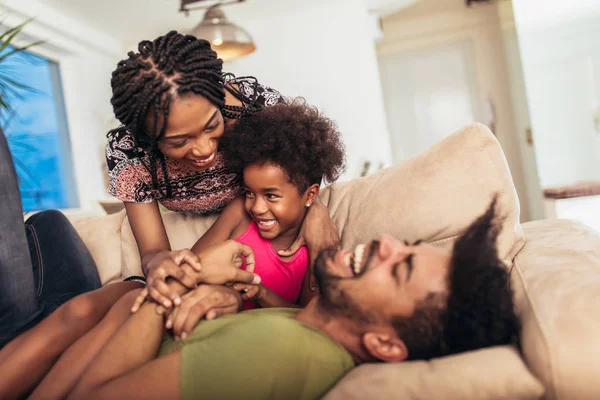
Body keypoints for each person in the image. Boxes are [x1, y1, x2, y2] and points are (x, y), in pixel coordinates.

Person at [64, 197, 519, 400]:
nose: (384, 242)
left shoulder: (283, 353)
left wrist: (187, 278)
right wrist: (223, 293)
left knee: (49, 228)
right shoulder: (303, 331)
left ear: (384, 344)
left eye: (398, 267)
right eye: (404, 245)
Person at [106, 30, 339, 302]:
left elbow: (300, 161)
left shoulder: (252, 105)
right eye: (179, 141)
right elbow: (154, 251)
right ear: (148, 139)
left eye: (212, 125)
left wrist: (316, 210)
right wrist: (158, 262)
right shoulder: (130, 150)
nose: (204, 149)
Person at [132, 99, 346, 328]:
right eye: (250, 192)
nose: (256, 207)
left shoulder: (316, 248)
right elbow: (191, 268)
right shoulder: (239, 212)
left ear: (311, 195)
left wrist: (260, 293)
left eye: (271, 196)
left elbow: (308, 316)